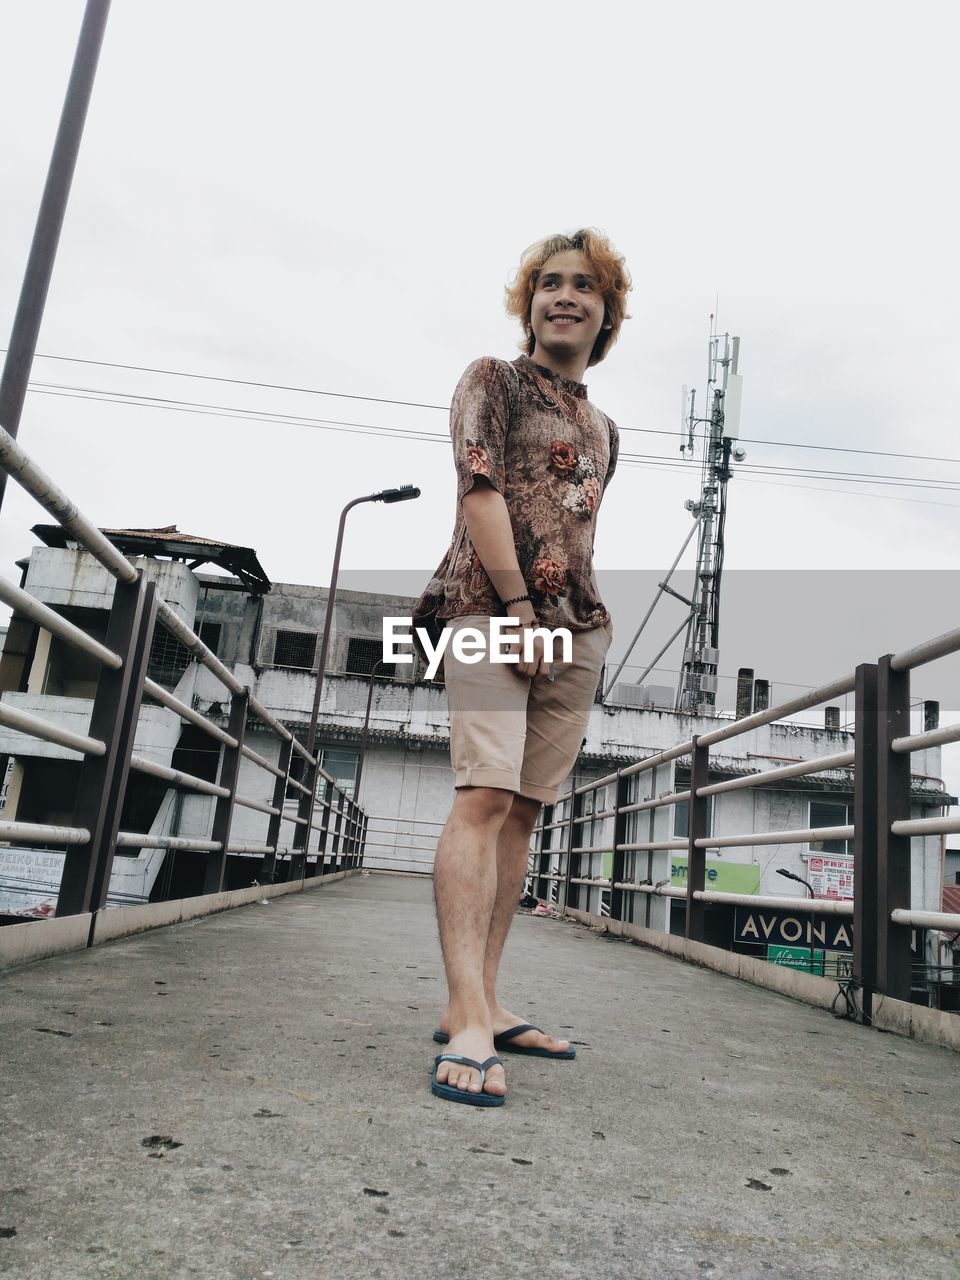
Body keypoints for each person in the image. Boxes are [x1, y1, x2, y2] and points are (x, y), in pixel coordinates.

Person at [423, 228, 631, 1106]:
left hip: (576, 628)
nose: (564, 297)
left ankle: (489, 999)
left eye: (584, 286)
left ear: (605, 311)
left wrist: (569, 625)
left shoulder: (605, 427)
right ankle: (465, 1016)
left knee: (525, 814)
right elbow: (479, 491)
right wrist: (516, 611)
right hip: (488, 608)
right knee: (484, 796)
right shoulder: (491, 381)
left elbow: (576, 527)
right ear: (530, 300)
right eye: (549, 283)